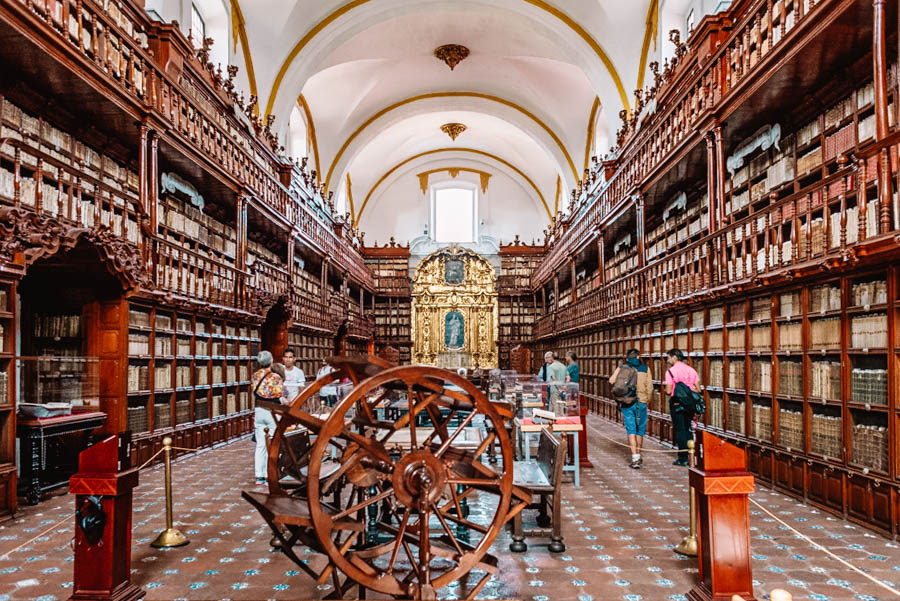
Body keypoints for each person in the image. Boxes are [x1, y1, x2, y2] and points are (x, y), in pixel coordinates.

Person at [609, 349, 652, 469]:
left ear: (627, 357)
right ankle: (638, 454)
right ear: (638, 356)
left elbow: (612, 380)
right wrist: (646, 400)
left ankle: (635, 458)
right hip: (641, 402)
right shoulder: (645, 368)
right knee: (640, 429)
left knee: (631, 429)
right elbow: (650, 387)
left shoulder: (622, 367)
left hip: (627, 402)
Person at [251, 350, 284, 486]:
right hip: (272, 411)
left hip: (259, 411)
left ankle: (260, 476)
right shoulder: (276, 377)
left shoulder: (255, 375)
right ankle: (270, 474)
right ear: (271, 361)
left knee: (260, 444)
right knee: (273, 443)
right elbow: (279, 394)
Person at [665, 348, 700, 466]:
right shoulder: (691, 370)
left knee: (680, 430)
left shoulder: (670, 372)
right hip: (690, 404)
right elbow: (698, 389)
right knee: (688, 429)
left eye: (669, 357)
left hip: (677, 403)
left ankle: (683, 458)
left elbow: (669, 390)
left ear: (674, 357)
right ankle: (691, 456)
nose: (668, 360)